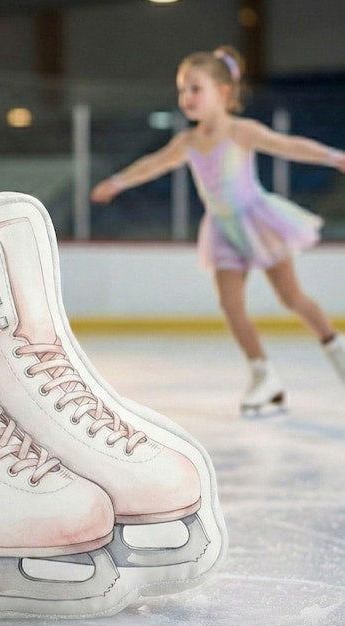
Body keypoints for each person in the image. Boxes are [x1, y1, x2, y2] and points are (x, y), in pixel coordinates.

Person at [91, 45, 345, 414]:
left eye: (196, 88)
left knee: (292, 299)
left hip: (258, 221)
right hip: (224, 230)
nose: (186, 97)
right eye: (182, 90)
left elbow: (289, 145)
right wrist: (117, 182)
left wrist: (333, 156)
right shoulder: (188, 141)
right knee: (230, 306)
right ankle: (263, 375)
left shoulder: (242, 131)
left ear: (223, 92)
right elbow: (152, 164)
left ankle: (335, 346)